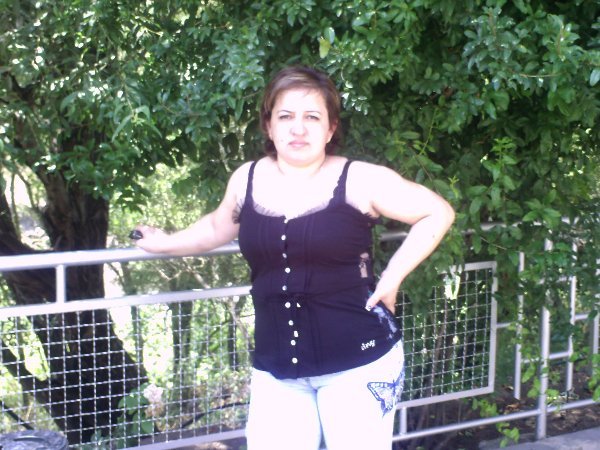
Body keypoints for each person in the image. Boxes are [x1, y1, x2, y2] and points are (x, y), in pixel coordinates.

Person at [133, 66, 455, 450]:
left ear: (331, 128)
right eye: (285, 116)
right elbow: (217, 227)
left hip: (359, 361)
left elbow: (437, 212)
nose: (298, 128)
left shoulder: (361, 179)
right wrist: (164, 243)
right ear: (269, 126)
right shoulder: (247, 179)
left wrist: (392, 277)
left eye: (312, 117)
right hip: (277, 369)